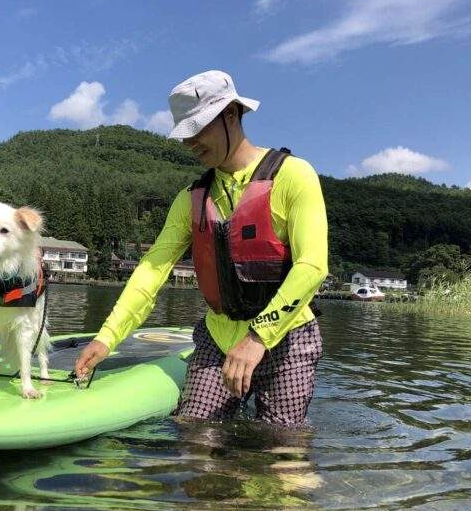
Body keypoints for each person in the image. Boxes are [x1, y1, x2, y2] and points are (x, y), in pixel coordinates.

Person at [74, 70, 328, 425]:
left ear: (230, 114)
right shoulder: (190, 200)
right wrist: (107, 339)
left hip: (287, 338)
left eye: (197, 129)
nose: (189, 143)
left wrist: (257, 339)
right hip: (218, 336)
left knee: (280, 454)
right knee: (194, 437)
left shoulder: (294, 176)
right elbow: (152, 269)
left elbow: (312, 266)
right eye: (184, 134)